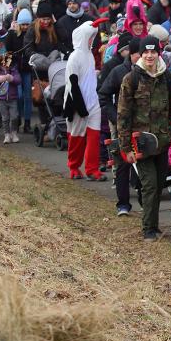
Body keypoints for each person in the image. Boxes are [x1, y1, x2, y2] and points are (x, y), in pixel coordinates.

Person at [117, 36, 171, 240]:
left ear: (159, 53)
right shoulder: (131, 79)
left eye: (153, 52)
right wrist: (126, 147)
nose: (150, 55)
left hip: (162, 143)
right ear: (141, 54)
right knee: (149, 184)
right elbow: (123, 115)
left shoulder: (168, 78)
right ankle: (148, 229)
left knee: (160, 182)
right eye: (146, 52)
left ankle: (153, 224)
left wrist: (170, 132)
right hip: (140, 143)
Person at [99, 38, 141, 216]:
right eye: (140, 53)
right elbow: (103, 94)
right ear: (131, 54)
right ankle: (123, 203)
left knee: (143, 163)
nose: (145, 56)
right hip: (123, 124)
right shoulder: (118, 72)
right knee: (123, 163)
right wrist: (115, 117)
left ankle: (144, 200)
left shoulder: (154, 71)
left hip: (144, 124)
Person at [64, 21, 105, 181]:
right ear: (83, 37)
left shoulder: (89, 55)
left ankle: (92, 169)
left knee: (94, 136)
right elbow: (72, 83)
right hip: (77, 103)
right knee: (76, 137)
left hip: (93, 101)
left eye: (93, 37)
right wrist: (80, 108)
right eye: (90, 37)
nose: (91, 41)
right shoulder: (74, 57)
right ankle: (73, 166)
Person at [5, 8, 33, 133]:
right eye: (23, 24)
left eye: (27, 24)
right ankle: (17, 119)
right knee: (19, 95)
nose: (25, 26)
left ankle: (27, 122)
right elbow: (7, 51)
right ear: (19, 24)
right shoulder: (12, 34)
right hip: (15, 68)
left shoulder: (31, 34)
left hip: (27, 68)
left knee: (27, 96)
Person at [0, 53, 21, 143]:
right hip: (1, 98)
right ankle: (7, 135)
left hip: (12, 98)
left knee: (14, 117)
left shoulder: (13, 70)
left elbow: (18, 80)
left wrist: (12, 78)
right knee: (5, 118)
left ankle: (14, 133)